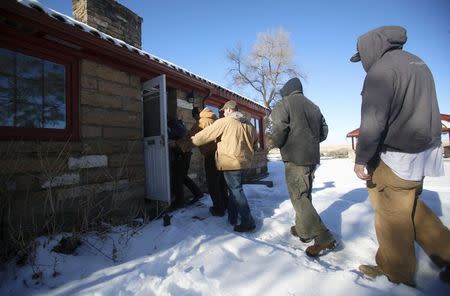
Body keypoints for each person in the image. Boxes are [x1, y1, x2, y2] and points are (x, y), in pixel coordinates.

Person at [350, 25, 450, 286]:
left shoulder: (381, 71)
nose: (364, 63)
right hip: (424, 152)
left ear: (371, 48)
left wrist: (362, 158)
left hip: (395, 155)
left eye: (362, 57)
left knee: (390, 216)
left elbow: (373, 121)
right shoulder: (419, 64)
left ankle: (395, 273)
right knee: (412, 209)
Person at [271, 77, 336, 257]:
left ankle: (323, 236)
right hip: (311, 157)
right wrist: (310, 142)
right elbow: (324, 131)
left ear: (287, 90)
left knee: (299, 197)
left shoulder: (284, 104)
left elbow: (278, 131)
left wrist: (271, 143)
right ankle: (303, 229)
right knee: (305, 195)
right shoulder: (314, 106)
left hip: (294, 158)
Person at [190, 100, 257, 232]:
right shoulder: (249, 124)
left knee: (236, 191)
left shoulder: (225, 122)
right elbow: (256, 145)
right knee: (234, 191)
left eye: (224, 110)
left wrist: (192, 140)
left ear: (230, 110)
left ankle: (248, 221)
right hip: (245, 163)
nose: (223, 113)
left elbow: (205, 135)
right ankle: (232, 217)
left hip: (231, 163)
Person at [189, 107, 229, 217]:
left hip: (210, 155)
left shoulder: (201, 122)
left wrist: (178, 145)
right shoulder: (215, 120)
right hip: (221, 154)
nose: (195, 119)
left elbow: (190, 138)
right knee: (221, 181)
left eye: (194, 117)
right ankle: (225, 204)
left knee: (212, 183)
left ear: (197, 115)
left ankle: (218, 208)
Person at [167, 117, 203, 209]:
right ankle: (197, 193)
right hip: (185, 154)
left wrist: (166, 134)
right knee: (182, 176)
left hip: (181, 155)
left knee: (177, 178)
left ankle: (179, 201)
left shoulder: (175, 127)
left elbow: (173, 136)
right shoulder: (180, 126)